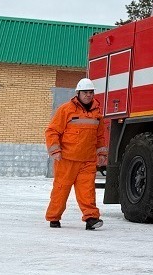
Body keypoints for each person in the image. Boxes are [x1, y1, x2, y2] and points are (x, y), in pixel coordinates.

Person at [44, 78, 107, 230]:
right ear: (78, 93)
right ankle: (54, 217)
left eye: (91, 92)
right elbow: (52, 131)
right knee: (61, 190)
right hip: (66, 159)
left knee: (87, 192)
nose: (88, 95)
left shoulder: (97, 114)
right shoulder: (66, 110)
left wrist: (102, 154)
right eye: (85, 92)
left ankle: (91, 218)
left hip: (87, 160)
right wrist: (55, 151)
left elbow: (99, 137)